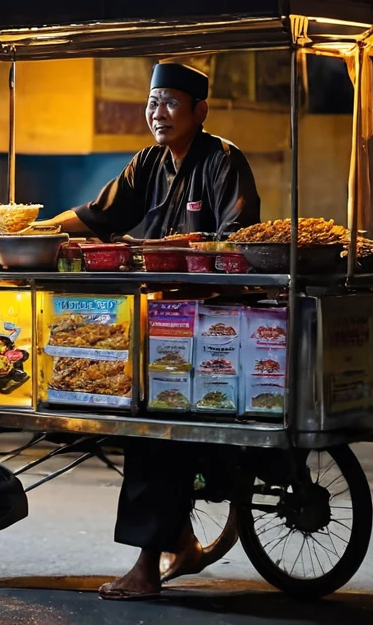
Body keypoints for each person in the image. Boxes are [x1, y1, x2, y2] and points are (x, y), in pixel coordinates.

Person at [40, 62, 261, 601]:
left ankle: (144, 569)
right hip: (160, 315)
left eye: (170, 103)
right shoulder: (148, 162)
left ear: (199, 110)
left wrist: (181, 256)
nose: (157, 114)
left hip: (210, 316)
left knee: (152, 431)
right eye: (152, 103)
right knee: (129, 411)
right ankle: (182, 543)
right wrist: (35, 229)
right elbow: (99, 216)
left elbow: (236, 237)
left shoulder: (223, 160)